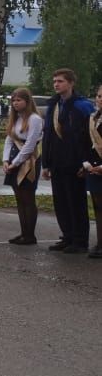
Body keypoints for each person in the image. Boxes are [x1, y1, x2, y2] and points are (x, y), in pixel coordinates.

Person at [42, 68, 95, 253]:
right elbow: (47, 134)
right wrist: (46, 163)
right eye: (55, 81)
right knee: (61, 201)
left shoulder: (83, 106)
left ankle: (80, 240)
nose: (56, 84)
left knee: (76, 202)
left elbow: (89, 137)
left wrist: (86, 162)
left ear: (71, 83)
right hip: (57, 161)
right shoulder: (53, 106)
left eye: (61, 81)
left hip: (75, 162)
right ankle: (67, 235)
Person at [3, 87, 43, 245]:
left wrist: (16, 162)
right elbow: (9, 139)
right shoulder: (15, 118)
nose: (15, 103)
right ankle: (23, 232)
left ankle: (30, 235)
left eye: (18, 100)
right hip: (13, 160)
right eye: (13, 100)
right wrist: (6, 160)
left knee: (28, 197)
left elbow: (30, 145)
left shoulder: (34, 119)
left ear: (27, 101)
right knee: (19, 198)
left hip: (29, 161)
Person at [84, 84, 102, 258]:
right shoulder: (93, 118)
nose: (99, 99)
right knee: (97, 207)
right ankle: (99, 243)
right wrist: (86, 163)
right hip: (93, 168)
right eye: (98, 96)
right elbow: (87, 144)